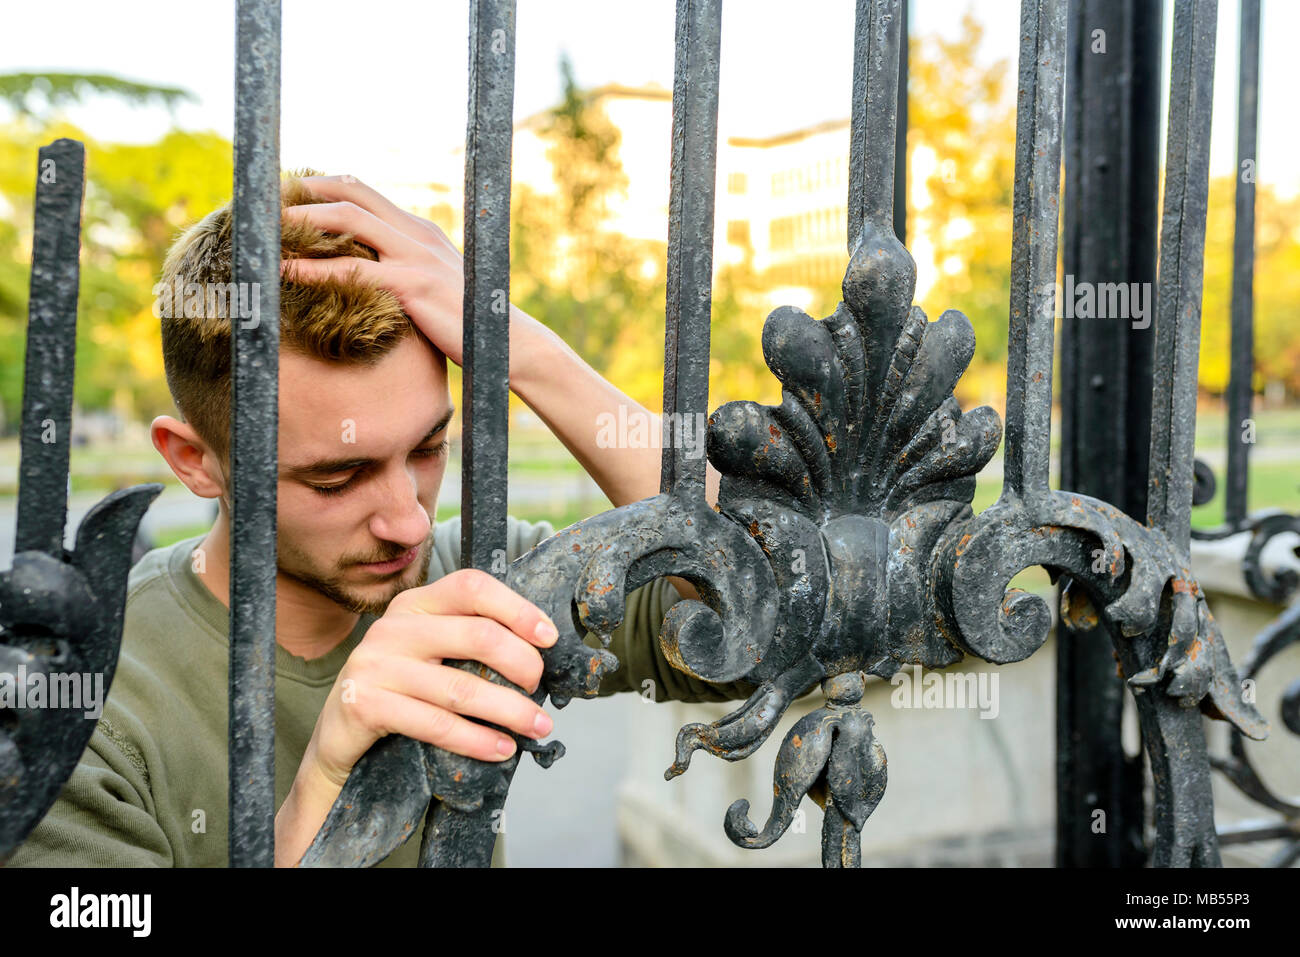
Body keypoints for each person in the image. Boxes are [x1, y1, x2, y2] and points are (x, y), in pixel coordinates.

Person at [9, 172, 753, 868]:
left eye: (429, 448)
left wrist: (514, 343)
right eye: (338, 476)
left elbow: (767, 587)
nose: (409, 522)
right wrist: (323, 789)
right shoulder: (83, 709)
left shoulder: (484, 578)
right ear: (194, 460)